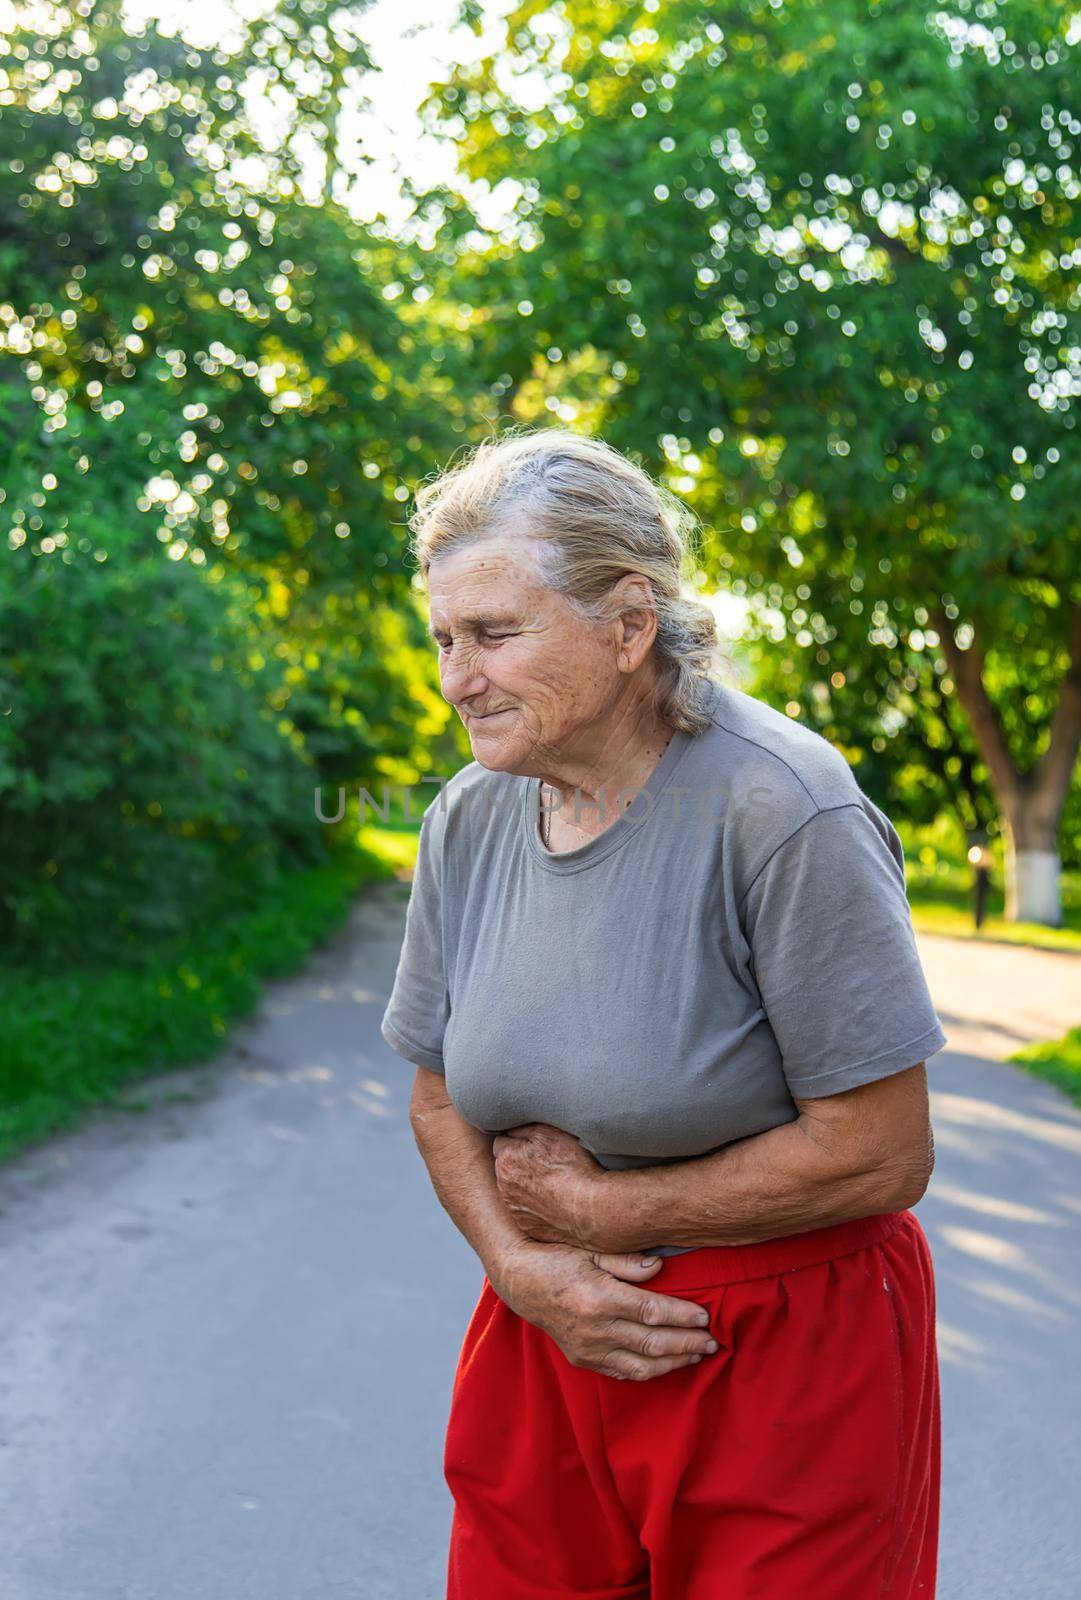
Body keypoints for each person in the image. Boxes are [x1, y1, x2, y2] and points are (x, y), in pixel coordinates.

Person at [380, 426, 947, 1600]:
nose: (455, 678)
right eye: (444, 638)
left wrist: (602, 1204)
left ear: (629, 625)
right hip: (542, 1328)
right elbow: (438, 1093)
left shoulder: (782, 805)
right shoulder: (468, 816)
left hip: (784, 1354)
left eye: (493, 633)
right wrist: (519, 1262)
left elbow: (883, 1151)